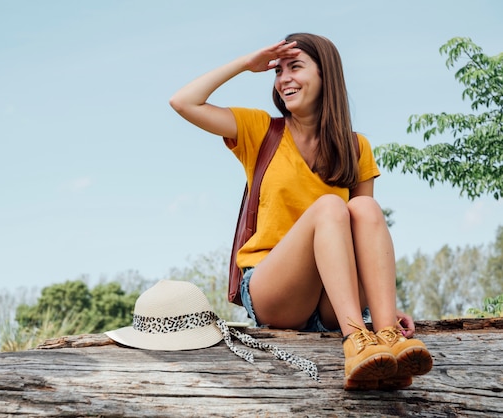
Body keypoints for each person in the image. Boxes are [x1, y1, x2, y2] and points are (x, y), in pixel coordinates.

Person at [169, 33, 433, 390]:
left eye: (295, 67)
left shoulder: (356, 147)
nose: (283, 79)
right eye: (278, 71)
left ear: (327, 76)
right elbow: (183, 102)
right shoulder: (261, 130)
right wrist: (246, 63)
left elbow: (366, 238)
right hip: (274, 289)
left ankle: (387, 340)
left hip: (332, 300)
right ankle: (356, 342)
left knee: (365, 208)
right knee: (329, 208)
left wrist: (385, 303)